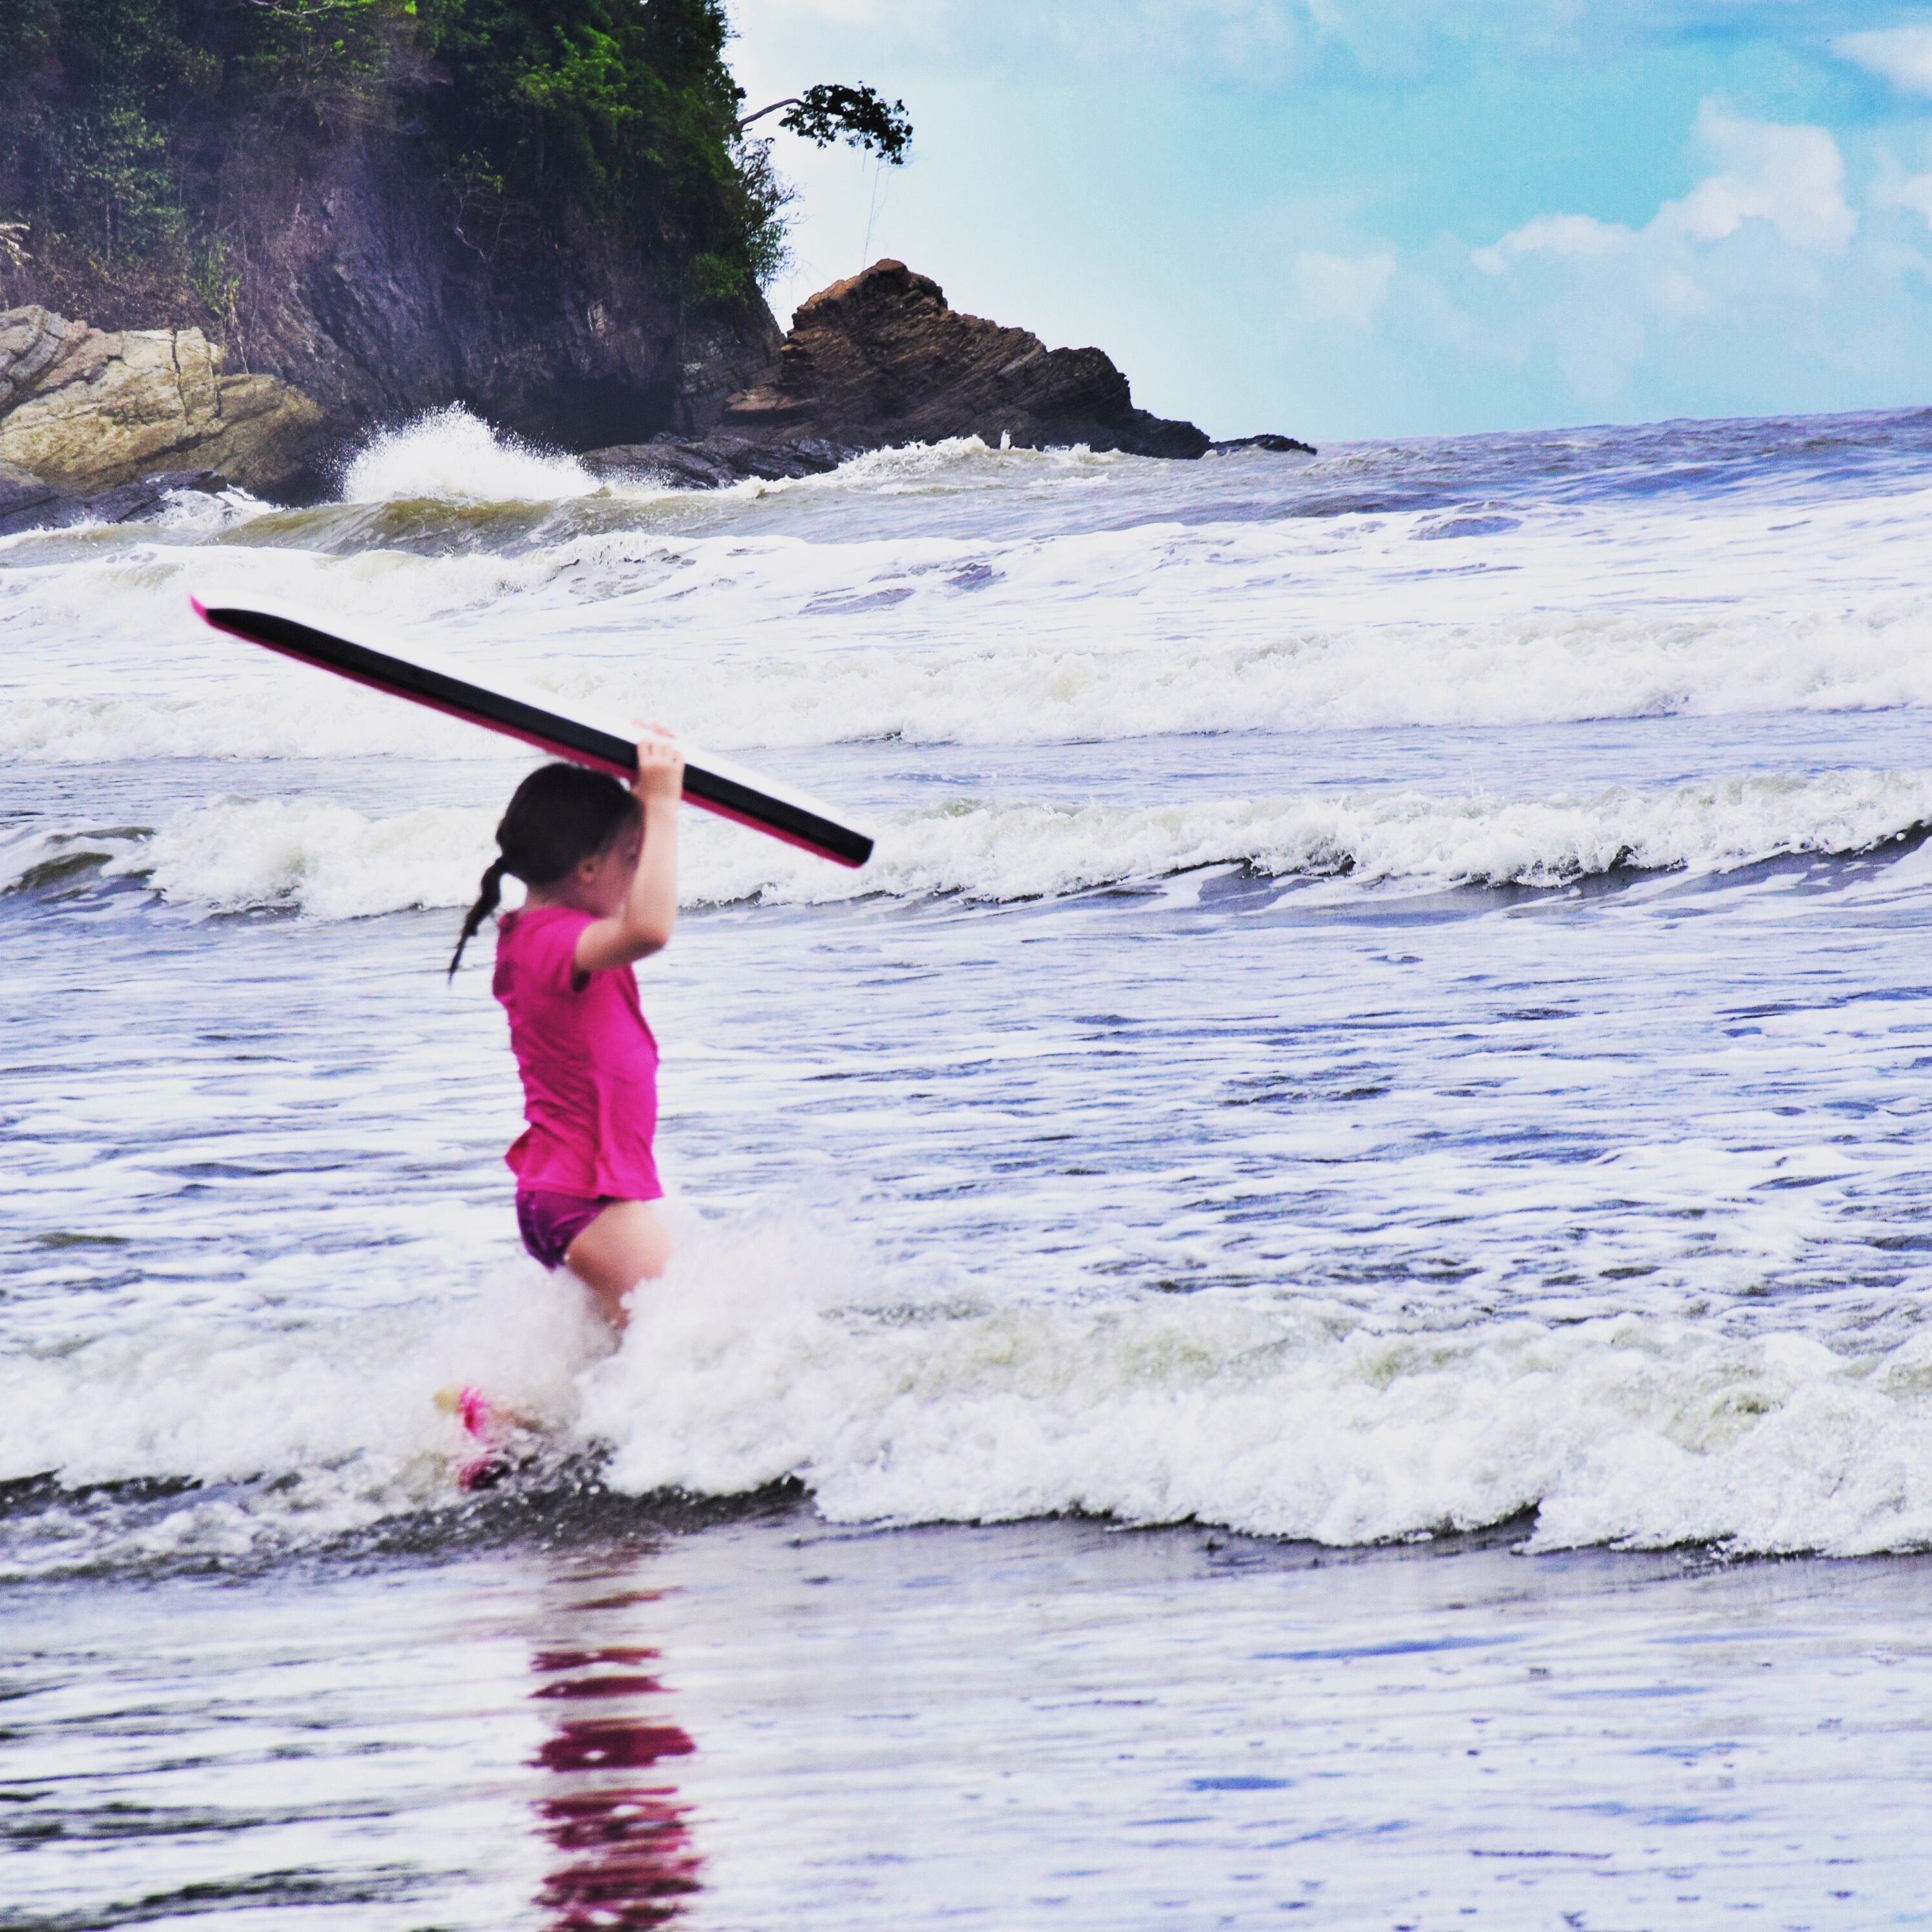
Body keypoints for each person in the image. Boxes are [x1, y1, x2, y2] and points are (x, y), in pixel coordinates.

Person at [448, 732, 684, 1329]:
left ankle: (495, 1416)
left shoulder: (534, 935)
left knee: (615, 1364)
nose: (639, 874)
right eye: (632, 858)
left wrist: (639, 810)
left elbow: (633, 919)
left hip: (563, 1193)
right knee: (687, 1337)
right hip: (587, 1195)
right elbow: (651, 929)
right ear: (585, 867)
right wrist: (660, 805)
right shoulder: (553, 942)